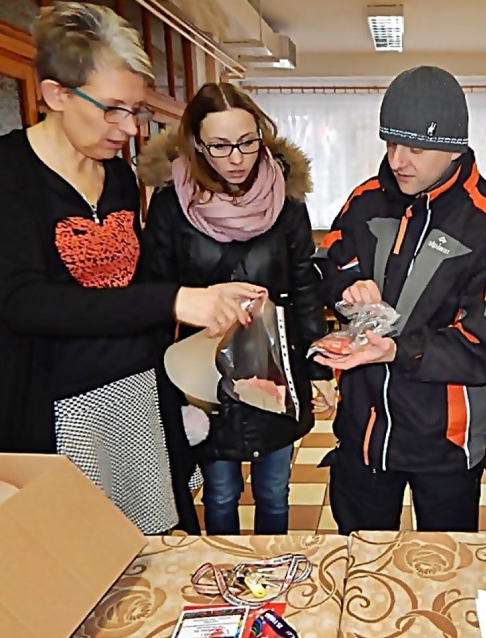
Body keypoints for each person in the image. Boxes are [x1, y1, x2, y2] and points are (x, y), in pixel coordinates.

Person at [0, 3, 260, 535]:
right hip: (64, 409)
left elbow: (140, 284)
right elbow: (26, 302)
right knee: (77, 550)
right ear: (57, 94)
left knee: (156, 544)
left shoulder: (119, 177)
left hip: (140, 396)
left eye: (135, 111)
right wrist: (174, 300)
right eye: (112, 110)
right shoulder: (1, 170)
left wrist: (204, 296)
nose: (128, 128)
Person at [314, 66, 486, 534]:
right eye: (391, 144)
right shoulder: (366, 199)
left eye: (415, 148)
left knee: (446, 572)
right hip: (363, 435)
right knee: (362, 568)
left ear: (455, 148)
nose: (398, 160)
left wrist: (397, 348)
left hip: (446, 445)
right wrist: (347, 284)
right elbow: (330, 256)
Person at [138, 82, 336, 535]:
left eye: (248, 142)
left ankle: (276, 582)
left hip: (273, 369)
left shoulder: (285, 200)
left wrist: (319, 369)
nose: (236, 158)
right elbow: (155, 290)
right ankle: (223, 584)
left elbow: (305, 285)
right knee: (221, 491)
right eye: (221, 145)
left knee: (272, 489)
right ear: (197, 144)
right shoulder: (172, 204)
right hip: (203, 373)